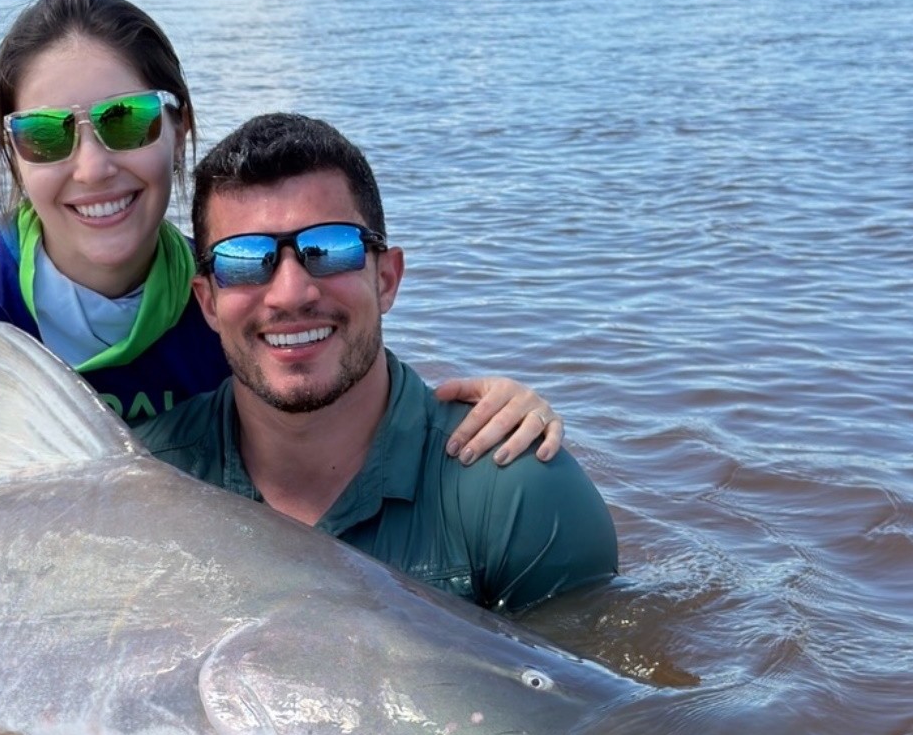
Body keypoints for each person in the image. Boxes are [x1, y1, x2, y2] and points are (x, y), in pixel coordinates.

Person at [0, 0, 568, 670]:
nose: (93, 166)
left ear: (177, 129)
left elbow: (327, 367)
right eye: (46, 138)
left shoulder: (228, 300)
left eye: (125, 121)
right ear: (12, 154)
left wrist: (493, 408)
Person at [136, 113, 617, 610]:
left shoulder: (519, 495)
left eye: (331, 249)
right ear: (209, 302)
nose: (290, 293)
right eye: (243, 259)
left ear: (386, 279)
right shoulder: (149, 485)